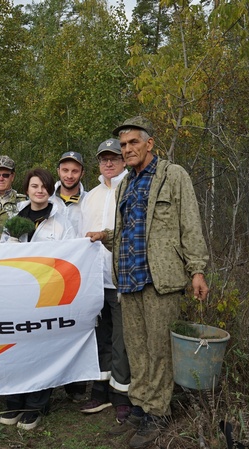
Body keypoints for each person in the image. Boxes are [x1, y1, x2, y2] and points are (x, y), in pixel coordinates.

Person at [101, 116, 209, 448]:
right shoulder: (124, 184)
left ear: (149, 144)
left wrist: (198, 270)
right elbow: (127, 232)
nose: (127, 149)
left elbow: (189, 223)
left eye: (133, 142)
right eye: (123, 145)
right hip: (129, 280)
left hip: (161, 278)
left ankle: (158, 414)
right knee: (137, 350)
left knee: (159, 349)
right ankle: (140, 407)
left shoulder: (173, 176)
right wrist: (103, 237)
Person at [0, 168, 77, 430]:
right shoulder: (15, 218)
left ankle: (36, 405)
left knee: (40, 348)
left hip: (47, 295)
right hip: (16, 294)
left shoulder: (60, 222)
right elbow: (0, 253)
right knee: (15, 346)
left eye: (44, 186)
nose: (39, 191)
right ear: (27, 189)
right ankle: (14, 402)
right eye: (34, 186)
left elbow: (70, 257)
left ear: (50, 189)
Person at [80, 139, 132, 422]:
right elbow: (81, 237)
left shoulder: (131, 189)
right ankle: (100, 391)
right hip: (94, 280)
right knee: (100, 337)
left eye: (114, 158)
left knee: (122, 339)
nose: (109, 163)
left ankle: (121, 394)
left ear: (123, 160)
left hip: (122, 279)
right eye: (104, 159)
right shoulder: (92, 195)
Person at [51, 150, 88, 401]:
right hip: (49, 275)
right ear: (59, 172)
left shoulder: (91, 199)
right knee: (51, 327)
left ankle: (76, 386)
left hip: (80, 272)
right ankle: (49, 381)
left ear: (82, 173)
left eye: (75, 171)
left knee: (76, 327)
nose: (70, 175)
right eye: (65, 170)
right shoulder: (45, 195)